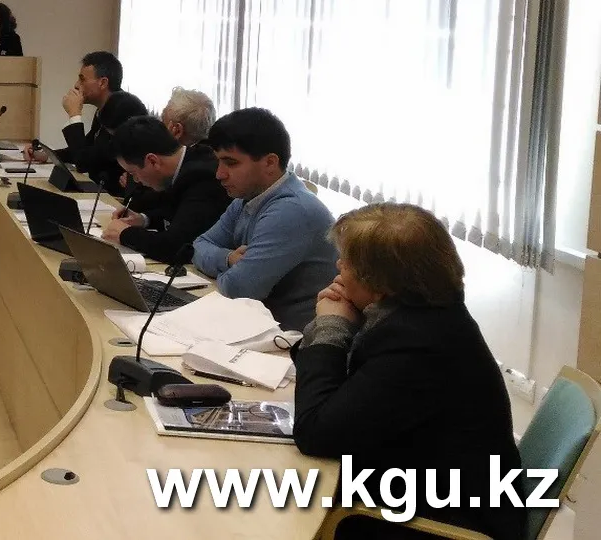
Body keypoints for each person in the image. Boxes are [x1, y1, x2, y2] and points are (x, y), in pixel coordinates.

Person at [294, 204, 525, 540]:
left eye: (347, 261)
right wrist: (341, 324)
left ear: (379, 284)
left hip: (442, 522)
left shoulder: (418, 344)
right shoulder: (427, 313)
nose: (338, 266)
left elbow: (316, 433)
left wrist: (332, 325)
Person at [190, 108, 337, 330]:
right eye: (218, 162)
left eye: (231, 163)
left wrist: (230, 269)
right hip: (254, 326)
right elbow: (198, 246)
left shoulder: (291, 211)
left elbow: (238, 290)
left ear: (269, 163)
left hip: (290, 339)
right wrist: (229, 258)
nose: (219, 174)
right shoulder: (248, 197)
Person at [101, 116, 229, 263]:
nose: (136, 180)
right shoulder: (183, 164)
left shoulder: (203, 177)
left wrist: (125, 234)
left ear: (152, 161)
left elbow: (176, 246)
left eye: (133, 173)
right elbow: (177, 214)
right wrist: (143, 219)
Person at [26, 51, 147, 195]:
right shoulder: (104, 108)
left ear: (103, 83)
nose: (77, 85)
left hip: (116, 197)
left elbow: (83, 162)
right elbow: (86, 149)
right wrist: (47, 155)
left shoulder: (124, 112)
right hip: (98, 191)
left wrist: (74, 115)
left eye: (82, 79)